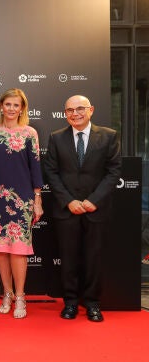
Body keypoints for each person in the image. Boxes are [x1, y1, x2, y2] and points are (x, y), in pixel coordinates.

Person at [44, 94, 121, 322]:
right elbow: (51, 172)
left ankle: (92, 304)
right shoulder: (56, 138)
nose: (75, 114)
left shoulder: (108, 136)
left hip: (96, 209)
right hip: (67, 210)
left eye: (80, 109)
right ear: (65, 113)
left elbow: (114, 171)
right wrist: (69, 201)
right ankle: (70, 303)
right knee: (68, 259)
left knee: (94, 259)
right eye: (70, 110)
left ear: (91, 110)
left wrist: (94, 200)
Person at [0, 88, 43, 319]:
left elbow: (36, 167)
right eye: (8, 104)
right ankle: (7, 293)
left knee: (19, 250)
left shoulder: (30, 133)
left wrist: (37, 199)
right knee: (1, 249)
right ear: (1, 106)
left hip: (22, 199)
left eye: (16, 105)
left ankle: (21, 296)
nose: (12, 109)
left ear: (22, 108)